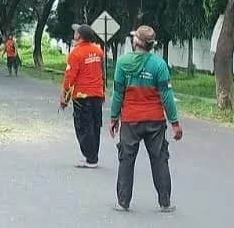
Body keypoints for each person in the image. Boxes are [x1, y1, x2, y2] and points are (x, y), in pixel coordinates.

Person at [109, 25, 182, 213]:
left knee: (126, 160)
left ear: (136, 42)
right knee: (159, 159)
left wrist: (114, 118)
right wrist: (174, 123)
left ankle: (123, 202)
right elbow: (166, 96)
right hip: (155, 120)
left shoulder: (122, 63)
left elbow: (118, 94)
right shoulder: (159, 65)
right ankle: (165, 203)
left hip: (130, 120)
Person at [60, 24, 105, 168]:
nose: (74, 33)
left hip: (82, 95)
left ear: (79, 36)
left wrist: (64, 96)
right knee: (95, 125)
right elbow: (101, 73)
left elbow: (70, 77)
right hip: (97, 94)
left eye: (76, 32)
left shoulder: (76, 53)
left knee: (84, 127)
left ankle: (90, 159)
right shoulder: (98, 51)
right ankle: (93, 156)